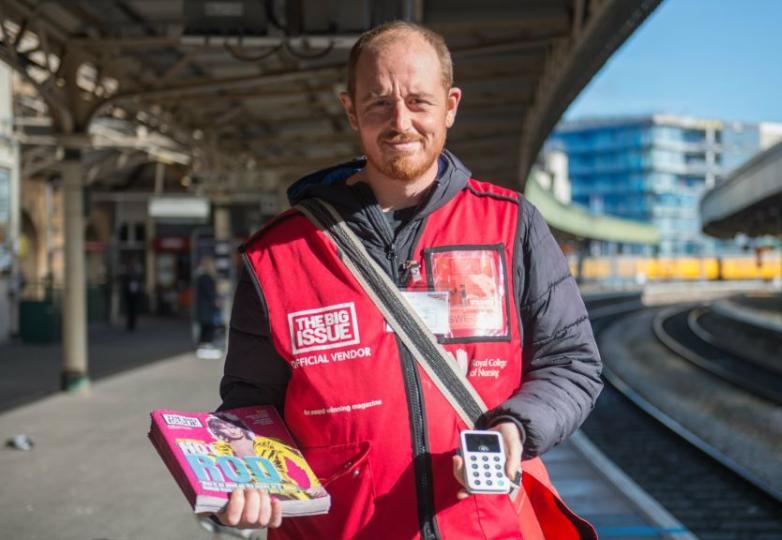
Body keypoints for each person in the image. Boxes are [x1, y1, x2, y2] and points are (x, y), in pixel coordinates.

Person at [215, 21, 602, 539]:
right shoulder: (278, 254)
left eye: (419, 101)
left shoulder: (512, 225)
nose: (400, 121)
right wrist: (241, 477)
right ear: (351, 109)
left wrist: (516, 428)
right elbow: (250, 402)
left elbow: (572, 363)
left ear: (451, 105)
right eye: (378, 103)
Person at [195, 257, 219, 346]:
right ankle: (206, 345)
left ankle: (203, 344)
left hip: (203, 307)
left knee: (204, 328)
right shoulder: (207, 278)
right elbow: (210, 293)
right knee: (208, 328)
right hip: (207, 308)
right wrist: (216, 301)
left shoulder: (200, 277)